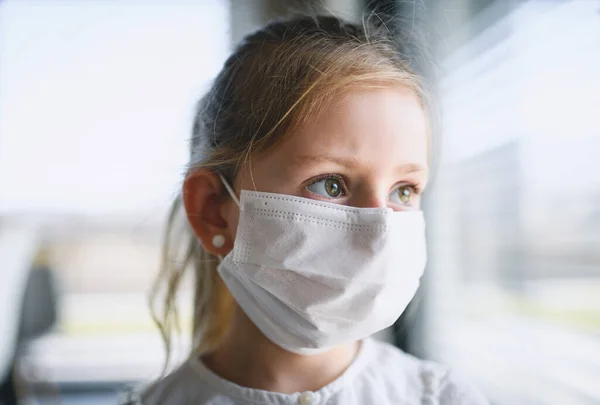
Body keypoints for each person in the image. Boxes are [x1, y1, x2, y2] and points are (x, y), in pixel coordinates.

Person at [120, 13, 488, 405]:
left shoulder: (442, 397)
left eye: (403, 191)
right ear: (213, 209)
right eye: (330, 184)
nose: (381, 231)